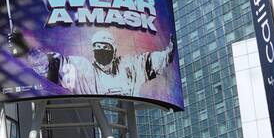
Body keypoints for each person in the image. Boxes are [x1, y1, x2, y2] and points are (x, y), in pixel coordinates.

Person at [14, 27, 176, 98]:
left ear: (113, 50)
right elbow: (50, 66)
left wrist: (169, 50)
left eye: (105, 47)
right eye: (97, 47)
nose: (101, 50)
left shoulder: (129, 66)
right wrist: (27, 50)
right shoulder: (84, 70)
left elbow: (155, 61)